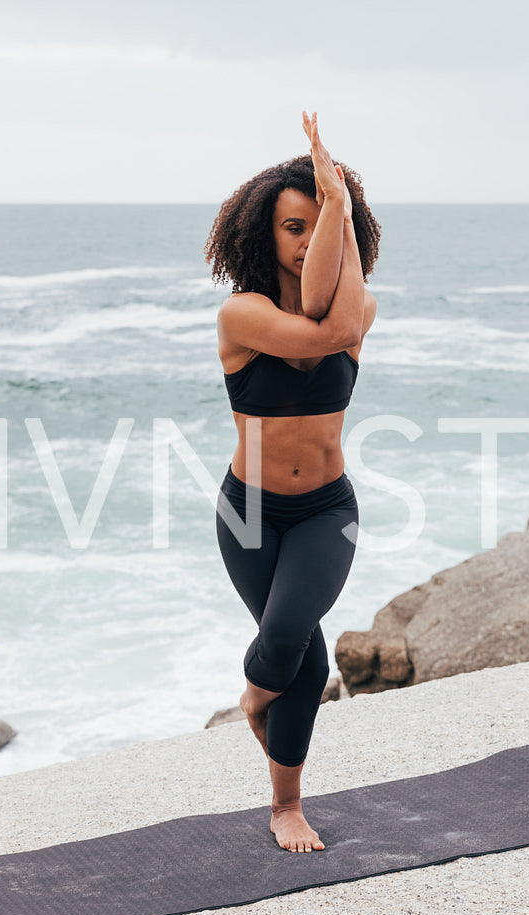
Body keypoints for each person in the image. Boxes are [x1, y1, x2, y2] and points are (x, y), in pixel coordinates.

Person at [205, 111, 381, 852]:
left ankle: (253, 704)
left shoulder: (360, 305)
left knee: (285, 644)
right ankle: (286, 804)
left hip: (324, 511)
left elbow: (334, 318)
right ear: (262, 236)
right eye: (292, 227)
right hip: (247, 512)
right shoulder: (241, 313)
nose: (307, 239)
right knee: (303, 661)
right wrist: (334, 201)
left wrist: (338, 208)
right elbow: (313, 322)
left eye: (317, 223)